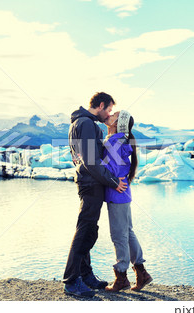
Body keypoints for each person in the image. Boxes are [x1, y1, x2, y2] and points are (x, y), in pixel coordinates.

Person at [63, 92, 128, 298]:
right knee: (85, 229)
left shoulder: (79, 122)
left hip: (88, 182)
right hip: (91, 183)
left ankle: (85, 274)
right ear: (101, 105)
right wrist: (113, 181)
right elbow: (91, 160)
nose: (109, 114)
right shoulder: (88, 124)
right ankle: (71, 280)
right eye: (109, 109)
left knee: (89, 228)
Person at [102, 110, 153, 292]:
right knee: (127, 233)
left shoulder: (115, 141)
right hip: (122, 194)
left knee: (119, 235)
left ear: (119, 123)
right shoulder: (120, 140)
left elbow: (112, 170)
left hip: (117, 194)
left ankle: (122, 276)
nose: (110, 115)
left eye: (114, 115)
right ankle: (142, 273)